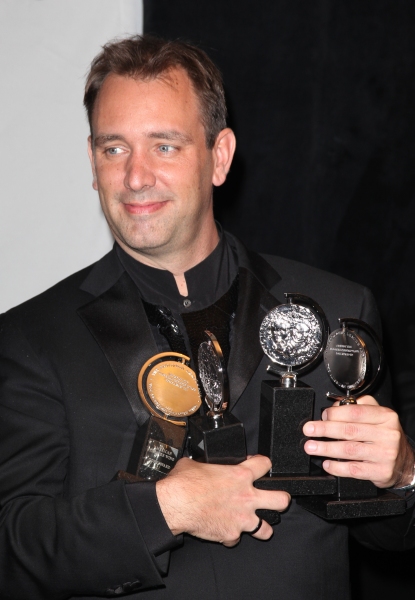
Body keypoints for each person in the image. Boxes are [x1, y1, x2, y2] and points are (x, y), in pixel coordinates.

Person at [0, 35, 414, 600]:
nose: (136, 177)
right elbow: (13, 550)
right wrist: (165, 509)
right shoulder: (30, 337)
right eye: (113, 149)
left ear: (219, 156)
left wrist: (404, 475)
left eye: (164, 147)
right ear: (92, 163)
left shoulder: (341, 309)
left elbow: (390, 538)